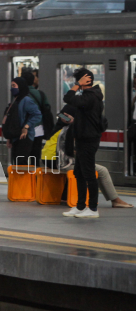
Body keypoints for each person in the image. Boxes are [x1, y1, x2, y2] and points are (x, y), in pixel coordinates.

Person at [55, 108, 132, 208]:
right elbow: (74, 151)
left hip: (64, 161)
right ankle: (114, 200)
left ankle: (111, 200)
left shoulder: (70, 127)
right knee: (102, 171)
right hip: (68, 163)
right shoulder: (76, 130)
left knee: (92, 169)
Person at [62, 68, 104, 218]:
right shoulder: (88, 96)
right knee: (79, 173)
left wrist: (77, 86)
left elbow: (67, 98)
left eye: (78, 81)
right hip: (83, 139)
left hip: (88, 140)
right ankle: (80, 206)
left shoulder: (91, 96)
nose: (76, 84)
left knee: (88, 174)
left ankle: (92, 209)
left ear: (84, 81)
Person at [2, 77, 42, 166]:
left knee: (21, 163)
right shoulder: (16, 100)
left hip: (24, 137)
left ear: (21, 86)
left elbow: (37, 115)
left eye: (14, 86)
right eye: (11, 86)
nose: (12, 88)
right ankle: (19, 180)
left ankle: (24, 180)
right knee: (16, 162)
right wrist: (10, 138)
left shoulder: (26, 100)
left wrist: (26, 126)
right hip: (16, 136)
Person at [22, 70, 54, 159]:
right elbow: (47, 108)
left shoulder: (20, 94)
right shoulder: (40, 94)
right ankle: (35, 171)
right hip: (38, 128)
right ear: (33, 81)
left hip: (24, 129)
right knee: (35, 154)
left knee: (23, 155)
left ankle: (23, 172)